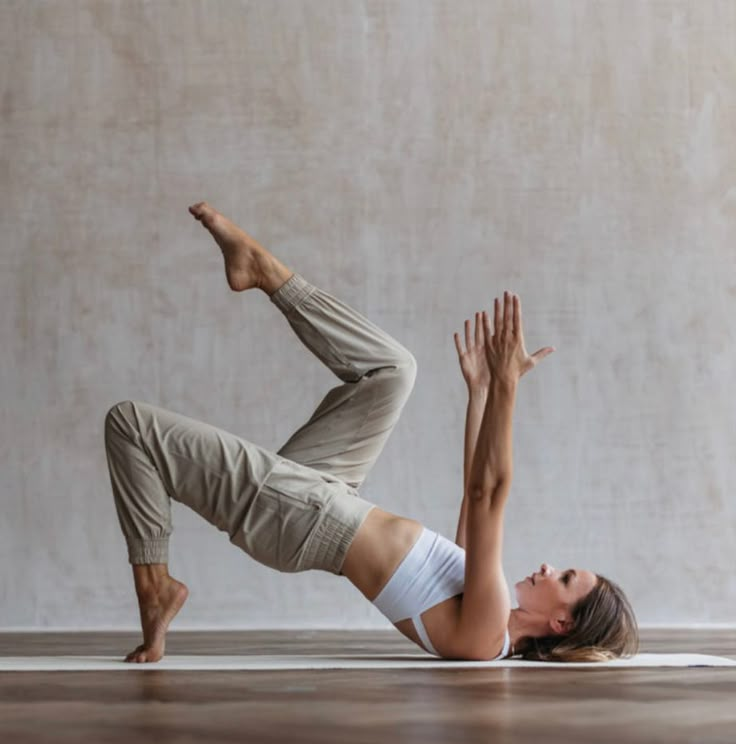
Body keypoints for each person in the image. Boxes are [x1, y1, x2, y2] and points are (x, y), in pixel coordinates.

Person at [104, 202, 639, 665]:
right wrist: (480, 393)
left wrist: (507, 389)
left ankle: (155, 586)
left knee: (129, 424)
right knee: (394, 370)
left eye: (565, 577)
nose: (550, 566)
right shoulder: (486, 613)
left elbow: (488, 494)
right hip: (328, 494)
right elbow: (471, 502)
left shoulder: (486, 634)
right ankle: (264, 271)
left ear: (562, 624)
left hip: (302, 518)